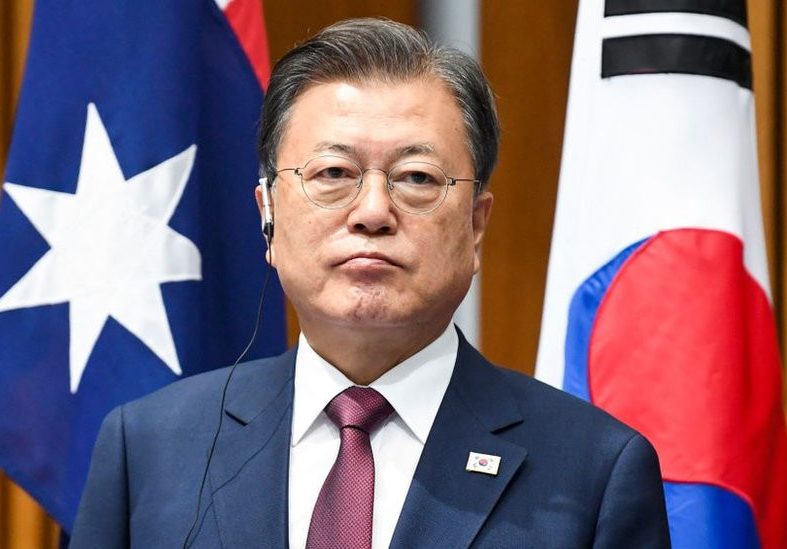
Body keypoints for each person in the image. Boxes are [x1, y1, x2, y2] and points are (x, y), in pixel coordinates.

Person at [70, 17, 670, 548]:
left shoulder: (593, 473)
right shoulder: (147, 449)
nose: (373, 211)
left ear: (476, 225)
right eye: (333, 172)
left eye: (416, 176)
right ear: (268, 216)